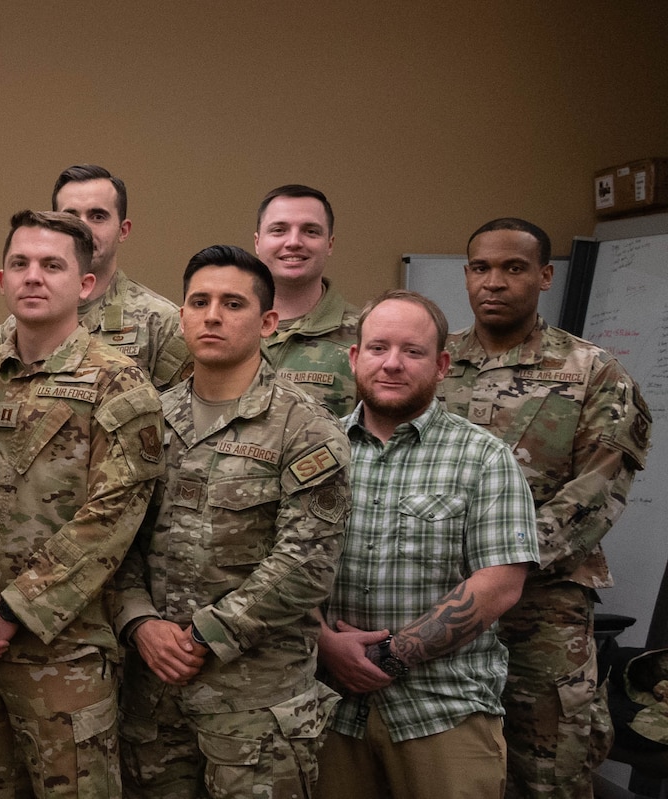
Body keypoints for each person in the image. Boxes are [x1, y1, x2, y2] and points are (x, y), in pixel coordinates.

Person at [113, 245, 351, 798]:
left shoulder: (305, 428)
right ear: (182, 316)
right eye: (199, 301)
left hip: (256, 704)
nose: (212, 315)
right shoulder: (150, 420)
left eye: (232, 303)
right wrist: (140, 622)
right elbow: (118, 540)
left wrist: (205, 635)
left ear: (268, 321)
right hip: (153, 696)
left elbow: (306, 564)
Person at [0, 210, 163, 798]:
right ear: (1, 279)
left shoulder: (118, 384)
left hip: (63, 653)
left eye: (52, 265)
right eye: (20, 264)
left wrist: (16, 607)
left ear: (85, 284)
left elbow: (113, 517)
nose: (33, 277)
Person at [434, 218, 652, 799]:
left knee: (549, 770)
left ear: (545, 276)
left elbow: (597, 490)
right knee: (444, 770)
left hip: (542, 608)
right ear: (466, 275)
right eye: (481, 268)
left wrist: (503, 565)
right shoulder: (430, 364)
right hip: (436, 602)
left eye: (514, 268)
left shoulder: (593, 371)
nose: (495, 282)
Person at [316, 290, 539, 799]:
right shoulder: (316, 449)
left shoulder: (484, 457)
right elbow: (279, 565)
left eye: (412, 352)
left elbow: (501, 584)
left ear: (441, 365)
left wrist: (393, 655)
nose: (392, 364)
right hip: (327, 709)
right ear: (355, 358)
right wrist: (326, 645)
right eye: (377, 348)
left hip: (443, 710)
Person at [0, 165, 188, 390]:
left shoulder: (161, 322)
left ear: (123, 230)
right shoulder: (14, 326)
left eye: (97, 216)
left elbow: (178, 413)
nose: (84, 227)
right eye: (70, 216)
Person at [254, 184, 360, 418]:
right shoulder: (225, 328)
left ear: (329, 244)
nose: (293, 242)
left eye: (310, 231)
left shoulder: (367, 336)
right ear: (257, 242)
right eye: (279, 230)